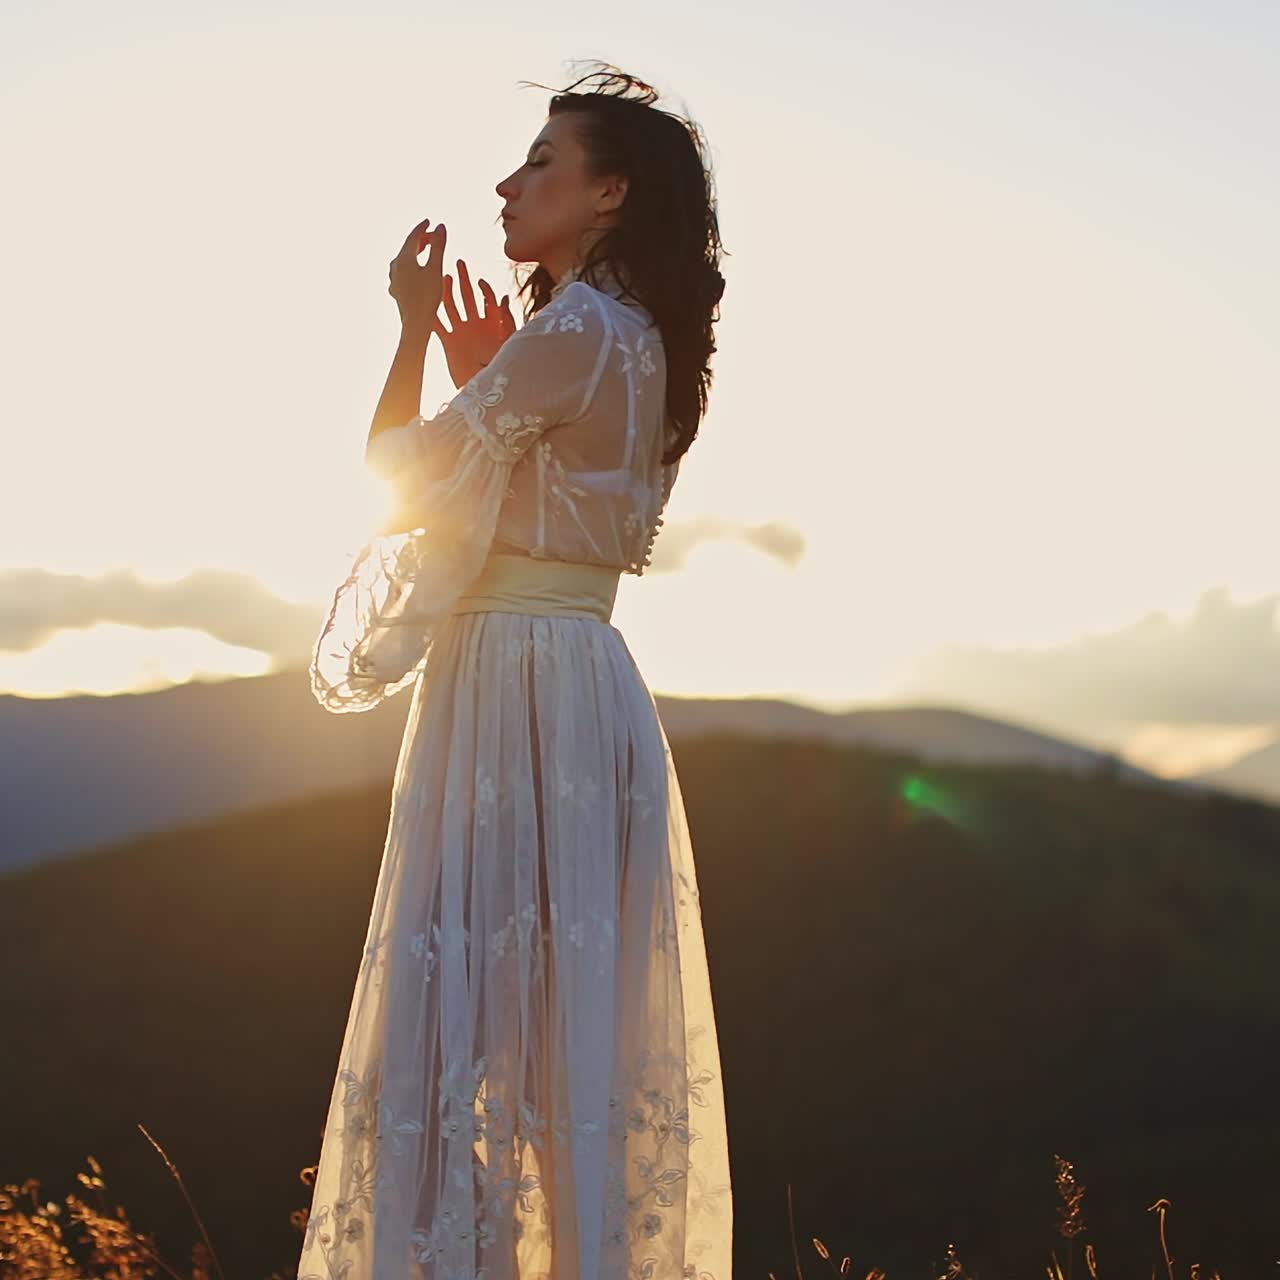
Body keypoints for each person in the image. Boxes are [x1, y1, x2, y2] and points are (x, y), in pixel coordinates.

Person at [297, 63, 731, 1280]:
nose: (509, 180)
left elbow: (398, 470)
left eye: (541, 159)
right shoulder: (628, 337)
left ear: (607, 194)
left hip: (513, 683)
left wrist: (406, 321)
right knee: (559, 1032)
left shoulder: (578, 331)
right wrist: (492, 370)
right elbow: (521, 492)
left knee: (471, 1027)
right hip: (578, 679)